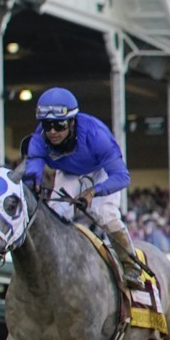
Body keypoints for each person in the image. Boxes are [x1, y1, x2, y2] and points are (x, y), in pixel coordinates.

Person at [23, 87, 146, 289]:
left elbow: (122, 177)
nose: (52, 132)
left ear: (72, 121)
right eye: (47, 125)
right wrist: (32, 184)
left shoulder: (98, 136)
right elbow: (33, 168)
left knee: (104, 214)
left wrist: (93, 192)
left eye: (58, 125)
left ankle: (131, 266)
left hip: (100, 171)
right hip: (68, 171)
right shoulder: (39, 139)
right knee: (55, 216)